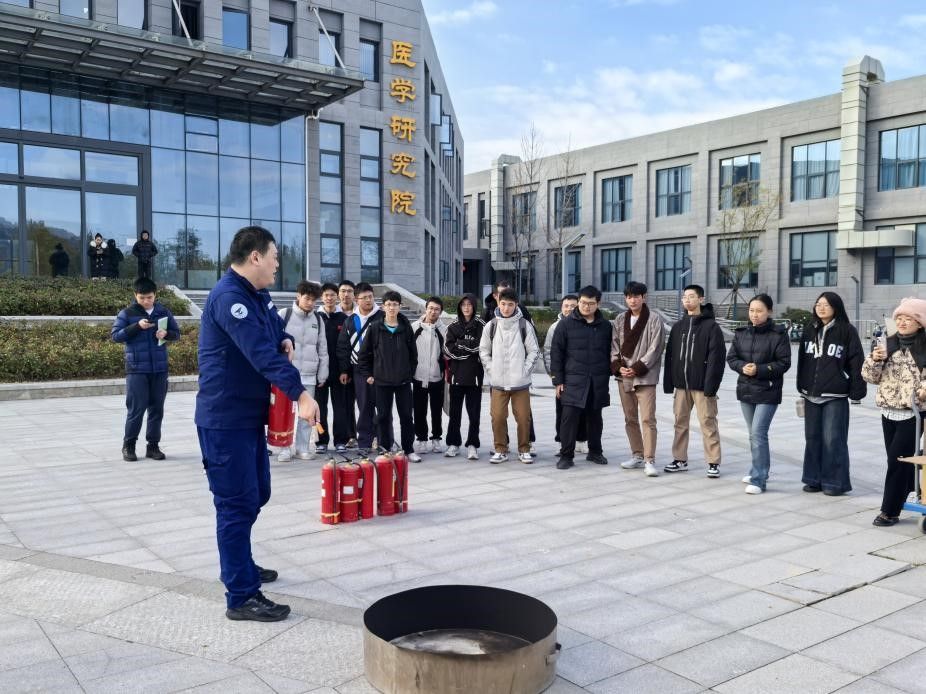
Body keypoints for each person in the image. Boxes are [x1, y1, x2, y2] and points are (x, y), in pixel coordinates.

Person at [196, 225, 319, 622]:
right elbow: (259, 354)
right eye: (274, 256)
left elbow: (270, 333)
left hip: (248, 417)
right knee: (235, 504)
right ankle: (241, 594)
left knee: (256, 494)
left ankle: (240, 563)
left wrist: (285, 338)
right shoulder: (230, 298)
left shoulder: (255, 295)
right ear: (255, 257)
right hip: (224, 419)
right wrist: (300, 394)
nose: (277, 264)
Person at [862, 297, 926, 527]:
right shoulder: (887, 343)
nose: (902, 322)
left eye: (908, 318)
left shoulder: (924, 346)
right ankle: (911, 488)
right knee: (899, 459)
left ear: (920, 322)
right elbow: (870, 377)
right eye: (899, 317)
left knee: (896, 461)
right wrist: (874, 360)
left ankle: (889, 511)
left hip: (913, 414)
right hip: (888, 411)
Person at [797, 292, 866, 496]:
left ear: (836, 307)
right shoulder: (810, 329)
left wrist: (857, 391)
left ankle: (835, 483)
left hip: (835, 395)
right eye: (818, 304)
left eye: (826, 305)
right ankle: (813, 479)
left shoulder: (847, 331)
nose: (821, 308)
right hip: (811, 393)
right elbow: (802, 360)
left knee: (833, 439)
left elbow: (856, 362)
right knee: (812, 438)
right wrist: (801, 385)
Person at [726, 294, 791, 494]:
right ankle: (757, 469)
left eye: (759, 311)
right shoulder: (741, 333)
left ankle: (759, 479)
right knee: (752, 434)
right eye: (751, 310)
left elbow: (784, 363)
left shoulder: (779, 334)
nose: (755, 314)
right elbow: (731, 358)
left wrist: (760, 370)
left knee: (758, 433)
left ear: (769, 311)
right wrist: (742, 367)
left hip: (768, 390)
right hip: (746, 389)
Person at [111, 276, 181, 462]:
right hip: (137, 369)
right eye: (142, 298)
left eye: (149, 297)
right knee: (136, 409)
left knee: (157, 409)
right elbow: (116, 336)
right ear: (135, 295)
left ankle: (153, 446)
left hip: (159, 369)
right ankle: (129, 446)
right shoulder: (127, 313)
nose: (146, 301)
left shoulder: (163, 312)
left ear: (155, 295)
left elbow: (176, 334)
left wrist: (166, 334)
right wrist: (137, 326)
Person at [663, 284, 726, 477]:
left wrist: (711, 386)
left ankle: (713, 462)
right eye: (685, 297)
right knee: (680, 423)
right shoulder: (677, 327)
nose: (687, 300)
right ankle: (679, 459)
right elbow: (670, 356)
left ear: (701, 299)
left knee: (708, 422)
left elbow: (717, 359)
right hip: (681, 386)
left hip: (702, 386)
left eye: (691, 296)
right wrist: (669, 383)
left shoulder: (711, 327)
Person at [550, 285, 613, 470]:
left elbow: (610, 352)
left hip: (597, 380)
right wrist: (558, 380)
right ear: (579, 302)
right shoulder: (566, 324)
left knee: (595, 419)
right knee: (569, 419)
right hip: (572, 381)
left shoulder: (605, 326)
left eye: (591, 303)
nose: (586, 306)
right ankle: (566, 455)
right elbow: (556, 353)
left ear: (598, 303)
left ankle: (595, 452)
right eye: (583, 302)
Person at [479, 287, 539, 464]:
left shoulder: (524, 325)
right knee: (497, 417)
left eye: (510, 304)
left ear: (516, 305)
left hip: (520, 383)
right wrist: (491, 370)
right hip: (498, 382)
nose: (506, 308)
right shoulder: (491, 325)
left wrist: (525, 371)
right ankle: (500, 449)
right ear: (498, 303)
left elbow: (534, 351)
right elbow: (483, 351)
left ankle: (524, 449)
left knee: (523, 418)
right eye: (503, 304)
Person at [612, 281, 665, 477]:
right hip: (624, 377)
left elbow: (656, 348)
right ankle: (637, 454)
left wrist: (636, 368)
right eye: (629, 297)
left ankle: (649, 459)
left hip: (645, 377)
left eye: (636, 296)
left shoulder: (654, 319)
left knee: (647, 418)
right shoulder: (620, 319)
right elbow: (614, 346)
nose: (632, 300)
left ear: (644, 297)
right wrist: (619, 367)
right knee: (630, 418)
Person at [358, 291, 417, 459]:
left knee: (406, 416)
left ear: (400, 306)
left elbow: (413, 354)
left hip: (403, 382)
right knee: (383, 416)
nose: (392, 307)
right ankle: (385, 449)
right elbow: (364, 354)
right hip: (382, 381)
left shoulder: (405, 327)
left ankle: (408, 449)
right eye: (389, 304)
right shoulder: (375, 327)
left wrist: (409, 374)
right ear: (383, 307)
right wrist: (368, 374)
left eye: (395, 304)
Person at [276, 281, 328, 462]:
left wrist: (322, 373)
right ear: (298, 296)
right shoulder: (284, 314)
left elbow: (323, 348)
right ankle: (284, 447)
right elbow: (273, 341)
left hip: (309, 374)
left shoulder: (318, 320)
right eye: (307, 298)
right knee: (285, 412)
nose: (310, 303)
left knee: (307, 413)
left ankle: (302, 447)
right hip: (287, 374)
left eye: (314, 300)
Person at [336, 282, 382, 455]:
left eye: (371, 297)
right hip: (359, 370)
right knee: (364, 406)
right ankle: (364, 442)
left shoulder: (382, 316)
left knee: (383, 406)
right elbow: (343, 347)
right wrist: (344, 370)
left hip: (381, 369)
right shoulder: (350, 320)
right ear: (357, 299)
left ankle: (383, 439)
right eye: (364, 297)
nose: (368, 300)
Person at [544, 294, 587, 455]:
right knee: (562, 412)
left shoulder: (585, 324)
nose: (569, 309)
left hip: (581, 377)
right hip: (562, 378)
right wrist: (554, 375)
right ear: (561, 308)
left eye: (572, 306)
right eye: (566, 306)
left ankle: (581, 440)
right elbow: (548, 352)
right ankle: (563, 442)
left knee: (582, 411)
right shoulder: (555, 327)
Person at [444, 294, 485, 460]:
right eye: (463, 305)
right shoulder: (453, 326)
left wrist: (461, 344)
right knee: (455, 413)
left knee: (474, 414)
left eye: (469, 304)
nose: (466, 308)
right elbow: (449, 350)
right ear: (459, 307)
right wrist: (467, 349)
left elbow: (481, 347)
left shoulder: (481, 325)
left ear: (474, 306)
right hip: (456, 376)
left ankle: (473, 444)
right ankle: (453, 443)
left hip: (475, 377)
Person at [315, 282, 351, 455]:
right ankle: (321, 441)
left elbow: (346, 347)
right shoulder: (315, 317)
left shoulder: (344, 318)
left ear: (337, 297)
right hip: (319, 371)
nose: (329, 298)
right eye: (326, 295)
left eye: (332, 295)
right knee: (319, 409)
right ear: (322, 297)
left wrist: (345, 370)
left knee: (340, 408)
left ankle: (341, 441)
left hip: (338, 372)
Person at [412, 297, 447, 454]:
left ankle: (436, 438)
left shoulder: (444, 330)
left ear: (440, 312)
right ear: (425, 309)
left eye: (437, 309)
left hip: (436, 377)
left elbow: (447, 353)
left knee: (436, 411)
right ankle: (421, 439)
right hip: (418, 376)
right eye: (431, 308)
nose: (433, 312)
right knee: (419, 410)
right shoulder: (414, 327)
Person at [337, 279, 358, 445]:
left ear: (355, 294)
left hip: (362, 367)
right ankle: (351, 435)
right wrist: (343, 369)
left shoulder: (361, 313)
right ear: (338, 294)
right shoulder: (334, 314)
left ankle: (372, 435)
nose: (346, 294)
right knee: (346, 404)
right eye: (343, 291)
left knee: (368, 403)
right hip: (342, 367)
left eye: (349, 291)